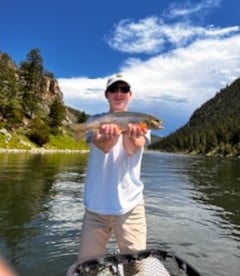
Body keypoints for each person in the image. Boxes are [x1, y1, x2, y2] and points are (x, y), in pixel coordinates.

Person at [67, 74, 151, 275]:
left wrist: (130, 136)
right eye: (114, 89)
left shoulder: (140, 123)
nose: (119, 93)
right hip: (96, 208)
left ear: (130, 95)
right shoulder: (95, 121)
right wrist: (110, 136)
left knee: (136, 268)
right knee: (86, 269)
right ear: (107, 95)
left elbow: (133, 148)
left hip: (131, 207)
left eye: (123, 89)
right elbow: (102, 145)